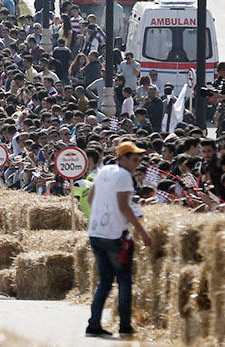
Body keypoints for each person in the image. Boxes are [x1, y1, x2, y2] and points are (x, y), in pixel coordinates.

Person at [84, 140, 152, 338]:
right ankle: (124, 325)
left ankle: (94, 323)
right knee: (124, 281)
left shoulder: (104, 171)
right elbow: (124, 206)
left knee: (104, 281)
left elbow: (90, 199)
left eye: (139, 160)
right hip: (115, 235)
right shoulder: (124, 176)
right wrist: (143, 232)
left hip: (96, 232)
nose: (137, 164)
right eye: (134, 160)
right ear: (123, 159)